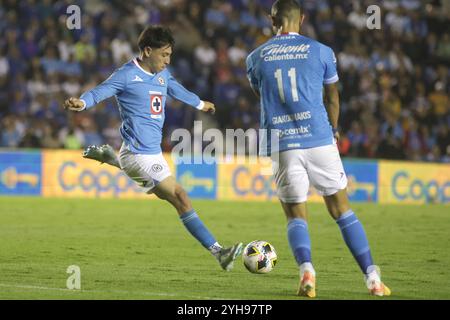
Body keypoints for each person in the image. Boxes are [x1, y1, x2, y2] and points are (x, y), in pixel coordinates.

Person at [64, 25, 243, 271]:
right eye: (164, 55)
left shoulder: (163, 75)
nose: (167, 61)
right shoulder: (126, 74)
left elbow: (176, 89)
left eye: (170, 55)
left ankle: (112, 159)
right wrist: (82, 102)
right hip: (139, 153)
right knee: (180, 196)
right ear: (147, 51)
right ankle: (220, 252)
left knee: (174, 200)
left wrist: (200, 104)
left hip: (149, 153)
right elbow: (100, 92)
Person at [246, 0, 391, 297]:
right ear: (302, 18)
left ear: (272, 20)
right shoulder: (322, 51)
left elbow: (261, 92)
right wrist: (334, 131)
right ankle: (373, 279)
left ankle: (307, 274)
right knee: (342, 211)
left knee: (296, 216)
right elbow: (333, 98)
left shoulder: (255, 57)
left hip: (282, 144)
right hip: (319, 139)